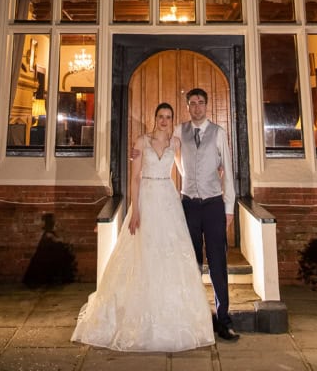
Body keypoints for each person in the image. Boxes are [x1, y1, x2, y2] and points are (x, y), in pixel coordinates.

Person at [71, 102, 214, 351]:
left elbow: (183, 170)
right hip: (147, 196)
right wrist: (135, 210)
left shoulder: (176, 144)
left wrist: (210, 175)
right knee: (143, 251)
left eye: (168, 117)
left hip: (168, 198)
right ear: (154, 117)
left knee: (169, 253)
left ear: (171, 121)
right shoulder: (141, 143)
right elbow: (135, 179)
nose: (164, 120)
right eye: (161, 116)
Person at [179, 87, 240, 342]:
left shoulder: (218, 132)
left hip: (214, 205)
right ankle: (194, 319)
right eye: (192, 103)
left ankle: (223, 320)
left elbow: (228, 171)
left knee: (217, 263)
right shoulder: (178, 131)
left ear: (206, 106)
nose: (196, 107)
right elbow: (160, 144)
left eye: (200, 102)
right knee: (191, 263)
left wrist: (228, 209)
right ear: (187, 106)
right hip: (189, 205)